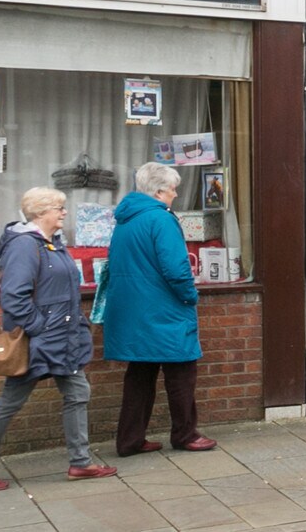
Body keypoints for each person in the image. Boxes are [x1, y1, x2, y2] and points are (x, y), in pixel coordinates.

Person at [0, 188, 118, 490]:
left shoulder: (52, 244)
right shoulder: (25, 246)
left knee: (78, 393)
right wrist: (41, 328)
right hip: (40, 342)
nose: (64, 213)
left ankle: (81, 462)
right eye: (59, 208)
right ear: (40, 213)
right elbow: (14, 296)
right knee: (10, 402)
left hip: (64, 339)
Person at [103, 162, 214, 455]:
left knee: (139, 376)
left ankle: (129, 440)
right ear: (160, 190)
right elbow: (176, 268)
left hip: (133, 310)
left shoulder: (125, 220)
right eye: (173, 189)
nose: (175, 195)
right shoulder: (161, 220)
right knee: (181, 373)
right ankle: (185, 435)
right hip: (164, 310)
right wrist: (190, 297)